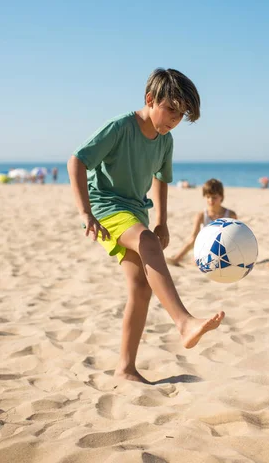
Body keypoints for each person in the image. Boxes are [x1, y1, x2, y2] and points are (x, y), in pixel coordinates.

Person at [67, 68, 224, 383]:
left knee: (140, 289)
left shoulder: (165, 140)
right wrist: (85, 212)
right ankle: (184, 323)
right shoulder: (121, 127)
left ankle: (125, 369)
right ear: (150, 99)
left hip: (135, 210)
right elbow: (77, 160)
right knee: (148, 243)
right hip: (106, 207)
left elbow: (161, 179)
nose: (173, 120)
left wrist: (162, 221)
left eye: (181, 116)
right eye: (171, 110)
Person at [168, 178, 237, 266]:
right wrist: (177, 258)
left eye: (214, 197)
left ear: (221, 197)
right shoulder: (201, 215)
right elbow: (193, 239)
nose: (211, 200)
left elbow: (236, 237)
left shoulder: (230, 215)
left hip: (225, 251)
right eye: (208, 197)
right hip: (206, 250)